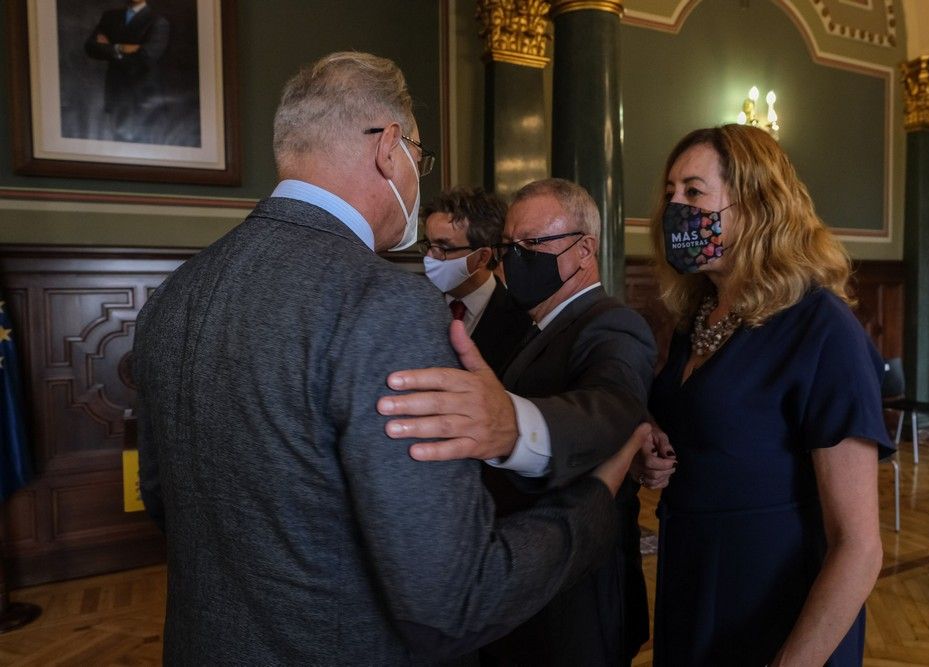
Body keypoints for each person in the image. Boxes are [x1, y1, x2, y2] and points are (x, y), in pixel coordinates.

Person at [132, 51, 642, 665]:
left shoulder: (172, 295)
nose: (414, 174)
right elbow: (453, 601)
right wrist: (595, 502)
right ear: (389, 148)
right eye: (418, 158)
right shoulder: (385, 306)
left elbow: (166, 501)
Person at [635, 124, 891, 666]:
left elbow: (859, 547)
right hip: (694, 583)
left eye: (693, 191)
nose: (673, 207)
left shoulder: (822, 328)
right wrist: (651, 445)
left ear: (754, 204)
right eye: (669, 193)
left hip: (779, 609)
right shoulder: (696, 318)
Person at [380, 178, 657, 665]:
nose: (517, 257)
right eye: (511, 245)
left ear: (583, 250)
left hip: (578, 587)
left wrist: (513, 425)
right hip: (526, 571)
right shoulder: (537, 325)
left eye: (534, 243)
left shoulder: (611, 322)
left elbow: (612, 407)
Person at [420, 187, 532, 372]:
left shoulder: (521, 320)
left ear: (482, 257)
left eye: (444, 247)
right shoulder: (414, 303)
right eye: (428, 245)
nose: (430, 257)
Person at [84, 0, 169, 143]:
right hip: (116, 92)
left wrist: (110, 48)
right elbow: (91, 47)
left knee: (144, 149)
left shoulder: (158, 21)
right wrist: (122, 48)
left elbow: (147, 56)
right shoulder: (110, 17)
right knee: (119, 147)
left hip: (144, 97)